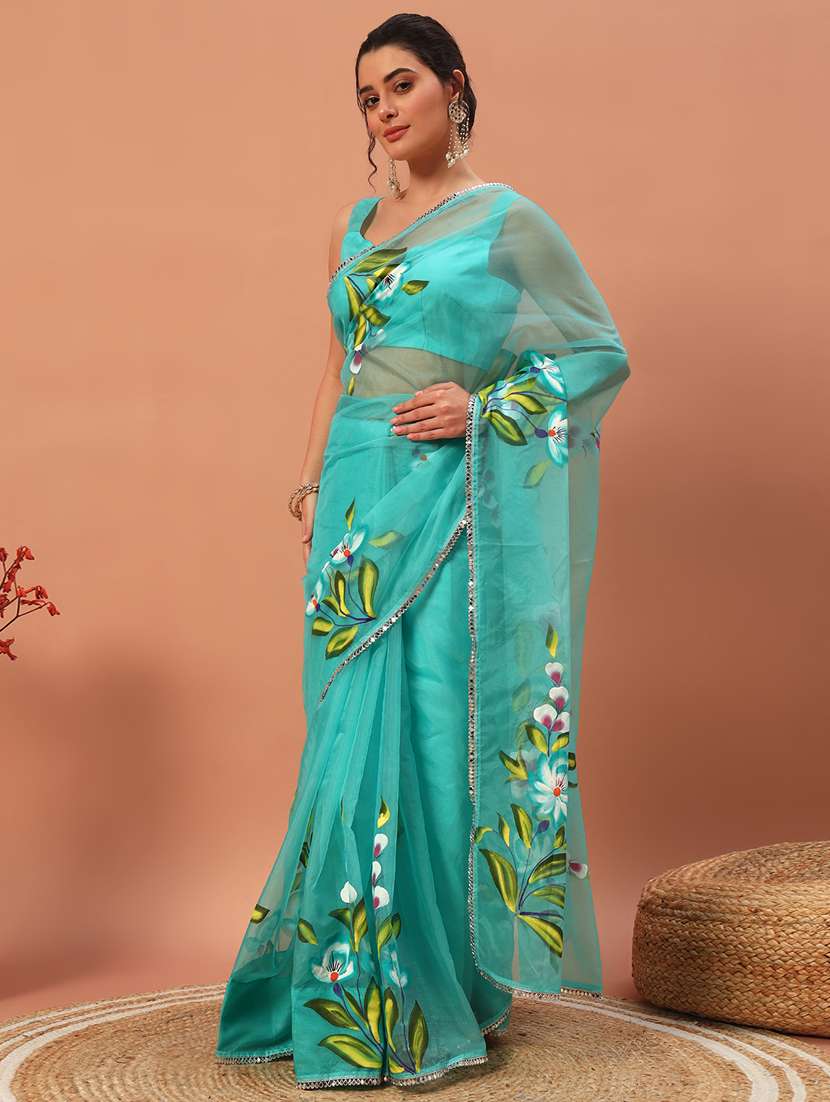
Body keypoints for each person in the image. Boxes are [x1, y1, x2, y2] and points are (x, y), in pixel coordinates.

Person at [214, 12, 631, 1091]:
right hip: (354, 497)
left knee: (435, 732)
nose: (384, 109)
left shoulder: (507, 219)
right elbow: (336, 366)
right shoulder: (350, 225)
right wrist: (310, 488)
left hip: (443, 494)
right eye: (367, 96)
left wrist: (483, 406)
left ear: (453, 85)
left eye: (401, 84)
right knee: (340, 734)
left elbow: (599, 351)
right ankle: (344, 991)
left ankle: (437, 988)